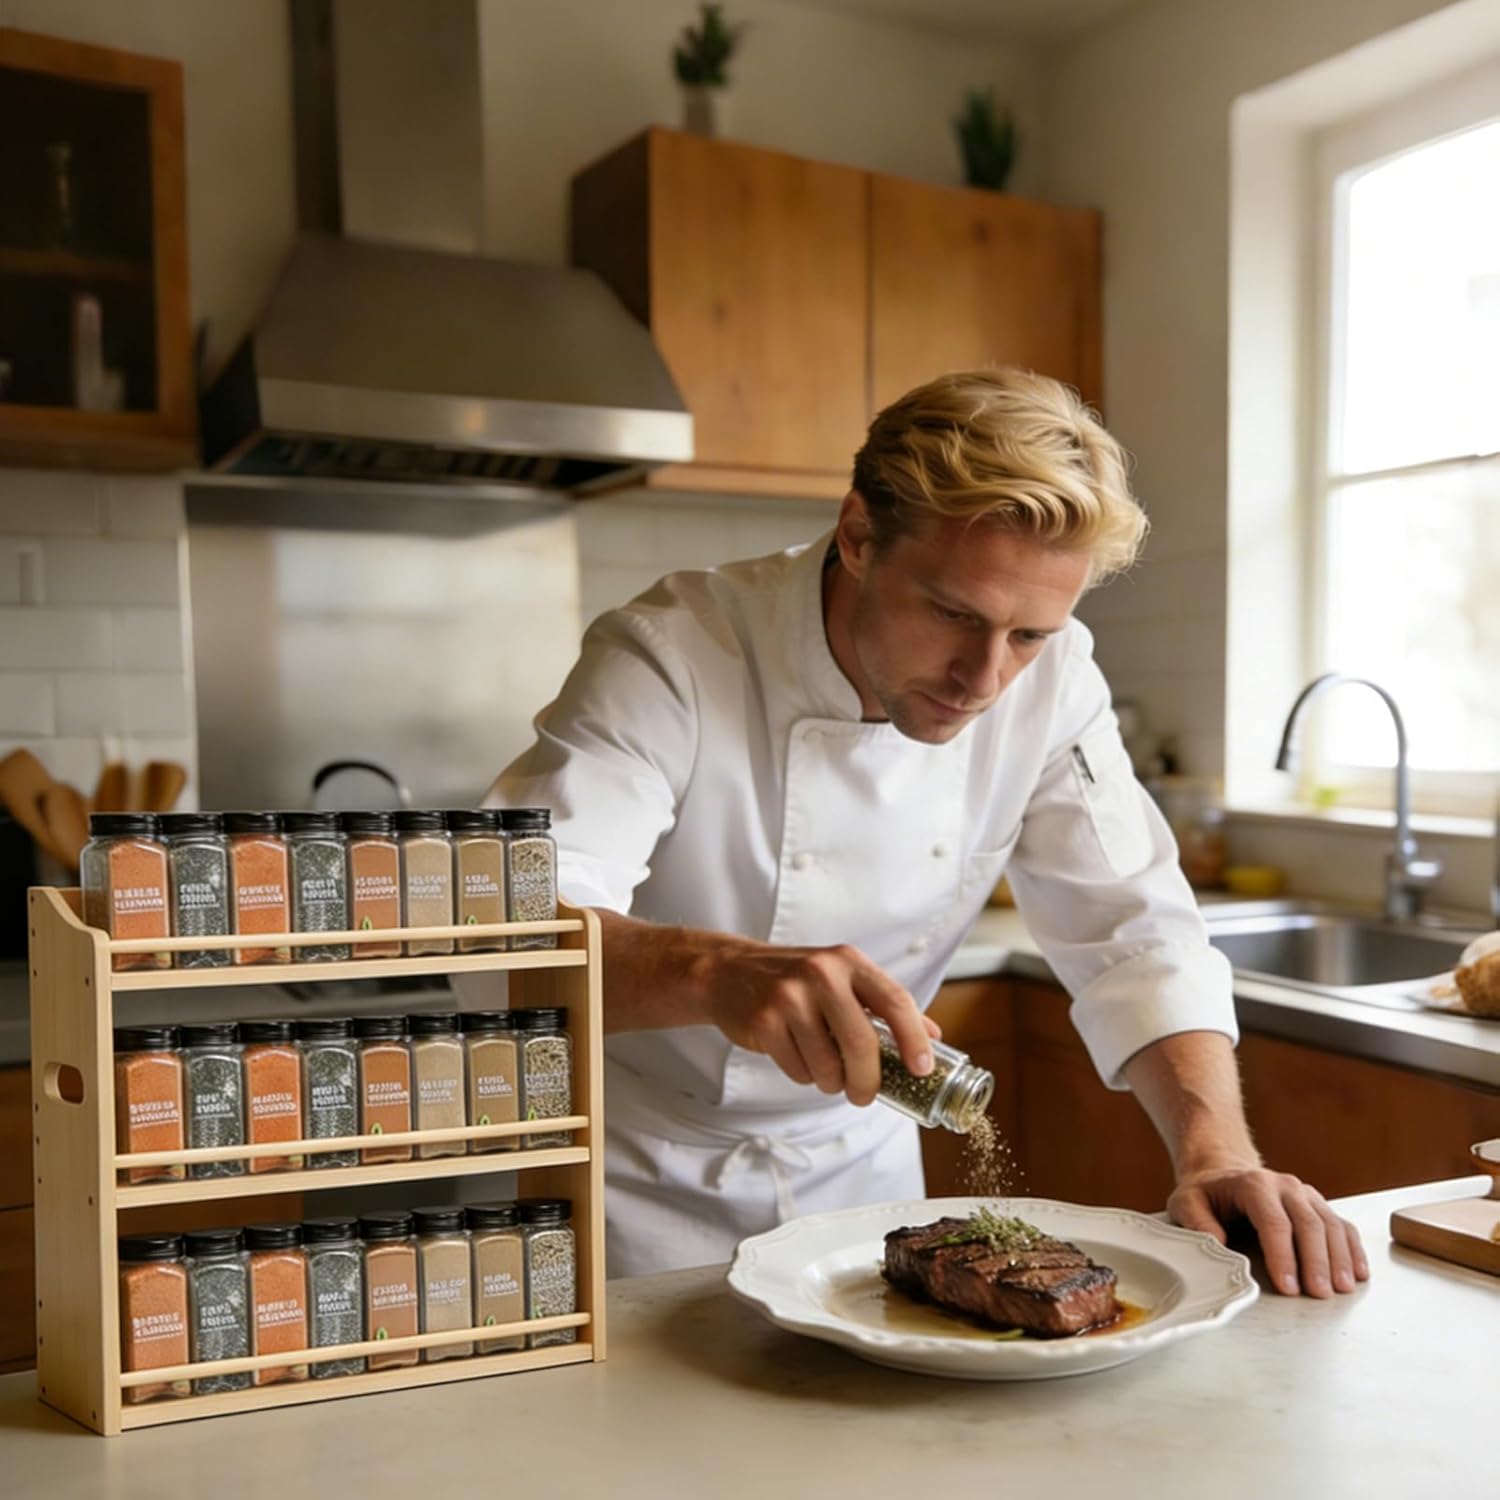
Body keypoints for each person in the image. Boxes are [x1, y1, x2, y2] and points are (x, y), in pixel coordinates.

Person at [492, 368, 1367, 1297]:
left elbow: (1136, 932)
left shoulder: (1057, 680)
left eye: (1028, 634)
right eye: (954, 614)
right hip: (639, 1176)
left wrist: (1215, 1153)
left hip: (859, 1170)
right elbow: (504, 930)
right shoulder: (673, 654)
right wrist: (715, 974)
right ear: (860, 536)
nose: (984, 678)